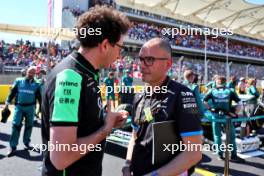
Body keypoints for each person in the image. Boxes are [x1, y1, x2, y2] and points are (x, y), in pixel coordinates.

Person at [41, 5, 130, 176]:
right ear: (105, 45)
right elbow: (61, 158)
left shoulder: (88, 72)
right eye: (120, 48)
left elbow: (82, 124)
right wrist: (106, 128)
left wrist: (106, 120)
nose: (119, 55)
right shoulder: (70, 77)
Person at [123, 38, 202, 176]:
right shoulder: (139, 95)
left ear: (168, 64)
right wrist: (127, 165)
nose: (142, 65)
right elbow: (134, 137)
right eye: (141, 59)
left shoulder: (182, 95)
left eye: (149, 59)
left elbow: (194, 153)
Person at [203, 76, 245, 162]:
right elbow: (240, 103)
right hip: (227, 117)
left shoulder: (212, 90)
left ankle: (220, 155)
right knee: (231, 137)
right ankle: (233, 155)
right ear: (225, 82)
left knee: (217, 136)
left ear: (217, 82)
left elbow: (204, 101)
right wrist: (235, 113)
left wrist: (210, 109)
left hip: (216, 117)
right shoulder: (230, 91)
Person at [4, 66, 41, 157]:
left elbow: (40, 97)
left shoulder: (37, 84)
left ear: (35, 73)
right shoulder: (18, 81)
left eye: (33, 73)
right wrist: (7, 103)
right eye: (29, 72)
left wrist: (41, 108)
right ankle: (12, 147)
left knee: (29, 126)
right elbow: (12, 92)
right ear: (26, 72)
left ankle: (27, 143)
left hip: (30, 108)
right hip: (19, 107)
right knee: (16, 125)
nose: (31, 74)